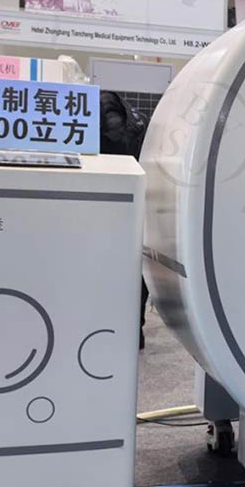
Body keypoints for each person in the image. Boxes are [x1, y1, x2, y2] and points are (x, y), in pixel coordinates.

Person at [98, 90, 150, 349]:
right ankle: (134, 331)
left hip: (101, 210)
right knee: (135, 271)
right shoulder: (142, 124)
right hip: (139, 209)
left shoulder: (89, 126)